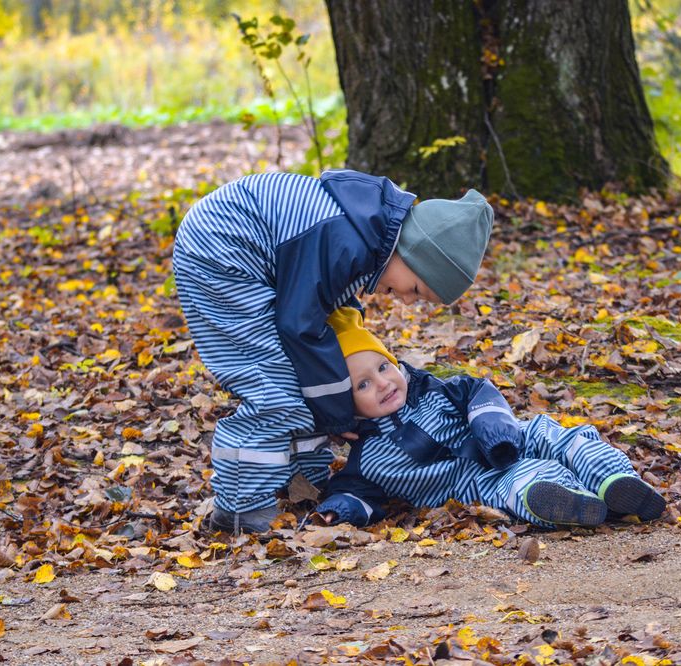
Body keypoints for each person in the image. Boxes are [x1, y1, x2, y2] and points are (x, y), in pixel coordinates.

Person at [172, 169, 494, 533]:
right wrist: (338, 414)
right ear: (412, 254)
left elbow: (327, 318)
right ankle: (241, 510)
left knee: (308, 377)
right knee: (272, 387)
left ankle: (304, 482)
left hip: (249, 257)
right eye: (417, 290)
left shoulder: (365, 233)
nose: (407, 300)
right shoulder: (347, 242)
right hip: (221, 256)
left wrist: (335, 404)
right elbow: (301, 329)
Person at [314, 307, 666, 528]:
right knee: (520, 483)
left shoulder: (433, 390)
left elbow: (479, 393)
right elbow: (355, 491)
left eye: (383, 367)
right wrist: (340, 509)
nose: (382, 384)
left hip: (511, 438)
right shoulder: (368, 460)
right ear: (345, 405)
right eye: (363, 384)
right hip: (475, 483)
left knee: (565, 440)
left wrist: (493, 431)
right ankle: (571, 502)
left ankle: (614, 480)